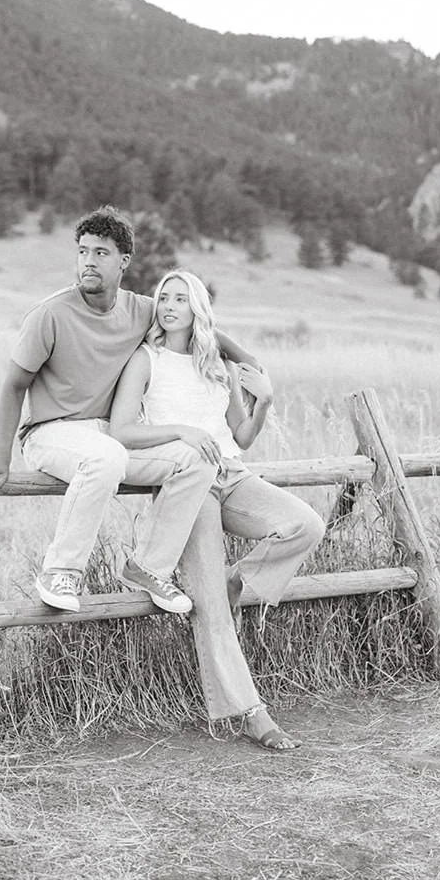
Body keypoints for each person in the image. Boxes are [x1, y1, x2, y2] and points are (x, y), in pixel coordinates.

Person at [0, 206, 257, 615]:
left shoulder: (139, 310)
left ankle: (149, 567)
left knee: (196, 457)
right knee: (106, 457)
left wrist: (247, 361)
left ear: (123, 261)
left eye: (100, 253)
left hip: (109, 433)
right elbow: (14, 386)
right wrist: (0, 455)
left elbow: (196, 325)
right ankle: (60, 571)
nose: (88, 261)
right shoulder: (50, 315)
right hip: (53, 432)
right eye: (83, 251)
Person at [109, 268, 326, 751]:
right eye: (164, 297)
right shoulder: (146, 360)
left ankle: (236, 582)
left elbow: (242, 436)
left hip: (232, 474)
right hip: (190, 484)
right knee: (209, 607)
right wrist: (181, 432)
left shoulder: (216, 365)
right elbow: (121, 431)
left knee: (304, 524)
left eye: (180, 299)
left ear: (197, 309)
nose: (168, 306)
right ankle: (252, 712)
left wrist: (264, 403)